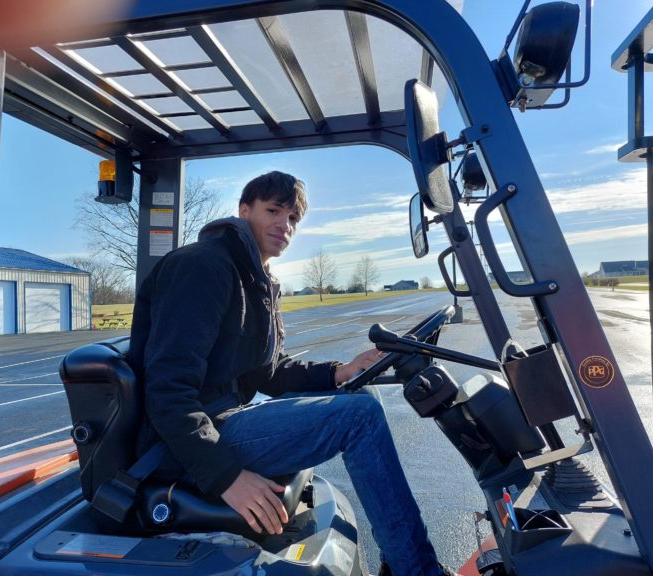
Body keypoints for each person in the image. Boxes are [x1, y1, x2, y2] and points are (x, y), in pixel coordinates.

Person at [129, 171, 451, 576]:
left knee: (362, 398)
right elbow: (167, 390)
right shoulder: (203, 267)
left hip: (228, 415)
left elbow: (269, 372)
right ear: (244, 210)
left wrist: (342, 372)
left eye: (294, 218)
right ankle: (417, 571)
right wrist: (226, 476)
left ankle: (403, 558)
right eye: (273, 210)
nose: (285, 224)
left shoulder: (257, 278)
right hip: (188, 438)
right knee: (359, 419)